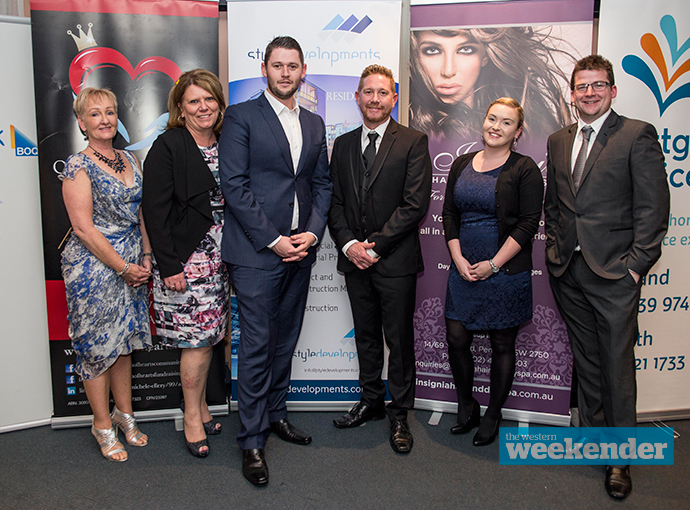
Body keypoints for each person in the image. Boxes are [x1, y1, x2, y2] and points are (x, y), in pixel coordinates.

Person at [544, 55, 670, 499]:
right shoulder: (559, 139)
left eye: (599, 85)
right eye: (582, 86)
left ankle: (620, 459)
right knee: (589, 359)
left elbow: (653, 209)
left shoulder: (637, 134)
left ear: (613, 90)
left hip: (615, 272)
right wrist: (554, 251)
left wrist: (636, 265)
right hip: (568, 269)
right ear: (572, 93)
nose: (590, 93)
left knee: (616, 364)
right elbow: (556, 204)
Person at [219, 36, 332, 486]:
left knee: (286, 340)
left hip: (301, 252)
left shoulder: (315, 122)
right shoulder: (241, 116)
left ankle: (276, 414)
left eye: (293, 66)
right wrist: (273, 240)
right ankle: (251, 440)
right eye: (277, 65)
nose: (285, 73)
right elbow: (235, 186)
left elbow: (321, 184)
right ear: (265, 69)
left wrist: (312, 231)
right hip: (255, 255)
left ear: (304, 71)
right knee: (258, 345)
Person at [329, 65, 432, 454]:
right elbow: (335, 204)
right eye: (368, 92)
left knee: (399, 341)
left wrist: (374, 246)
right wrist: (349, 246)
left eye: (382, 92)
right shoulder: (341, 145)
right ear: (357, 97)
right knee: (367, 336)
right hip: (355, 261)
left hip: (395, 262)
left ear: (394, 98)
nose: (375, 99)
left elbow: (414, 204)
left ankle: (400, 412)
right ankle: (371, 401)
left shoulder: (412, 141)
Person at [442, 97, 543, 447]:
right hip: (463, 269)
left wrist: (494, 265)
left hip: (505, 272)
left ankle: (493, 413)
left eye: (506, 122)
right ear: (482, 121)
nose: (495, 127)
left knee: (502, 344)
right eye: (491, 119)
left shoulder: (525, 168)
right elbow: (450, 215)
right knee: (456, 339)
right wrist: (457, 258)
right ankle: (467, 405)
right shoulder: (461, 163)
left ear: (517, 132)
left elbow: (529, 223)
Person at [60, 87, 151, 462]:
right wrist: (123, 267)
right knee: (98, 348)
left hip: (132, 260)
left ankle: (124, 414)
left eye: (110, 112)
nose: (104, 119)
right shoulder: (76, 166)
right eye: (94, 114)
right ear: (81, 122)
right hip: (94, 268)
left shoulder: (131, 158)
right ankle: (101, 424)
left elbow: (142, 212)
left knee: (123, 342)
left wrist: (145, 254)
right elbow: (83, 228)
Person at [142, 69, 229, 458]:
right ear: (180, 107)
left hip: (222, 261)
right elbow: (153, 212)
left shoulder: (228, 142)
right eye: (194, 101)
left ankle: (201, 405)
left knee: (210, 339)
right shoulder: (169, 145)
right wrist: (170, 266)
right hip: (186, 262)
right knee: (195, 342)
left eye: (209, 99)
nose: (203, 106)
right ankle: (192, 418)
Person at [410, 27, 573, 142]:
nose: (448, 70)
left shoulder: (532, 129)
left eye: (466, 49)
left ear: (485, 57)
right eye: (432, 50)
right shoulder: (409, 129)